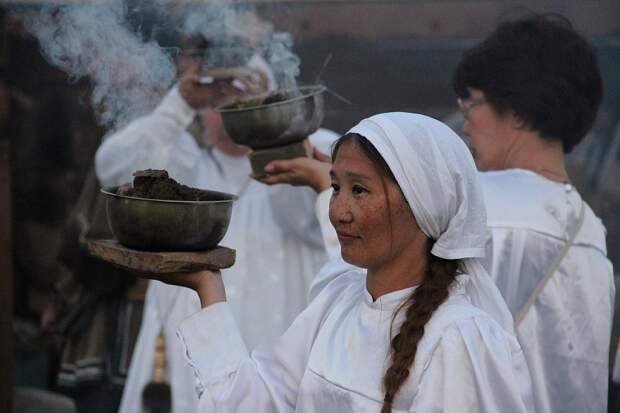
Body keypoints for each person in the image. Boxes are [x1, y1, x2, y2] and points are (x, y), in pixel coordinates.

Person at [156, 112, 535, 412]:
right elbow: (257, 402)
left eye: (360, 190)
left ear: (425, 205)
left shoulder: (459, 341)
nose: (338, 211)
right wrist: (208, 285)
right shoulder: (337, 302)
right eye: (336, 187)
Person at [95, 38, 338, 412]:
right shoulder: (183, 162)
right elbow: (110, 166)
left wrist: (271, 115)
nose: (225, 108)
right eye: (215, 99)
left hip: (277, 361)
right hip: (189, 358)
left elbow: (310, 208)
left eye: (239, 94)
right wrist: (179, 103)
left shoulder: (303, 153)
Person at [451, 14, 615, 413]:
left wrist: (327, 191)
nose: (466, 122)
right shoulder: (590, 229)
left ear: (520, 112)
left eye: (472, 103)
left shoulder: (480, 207)